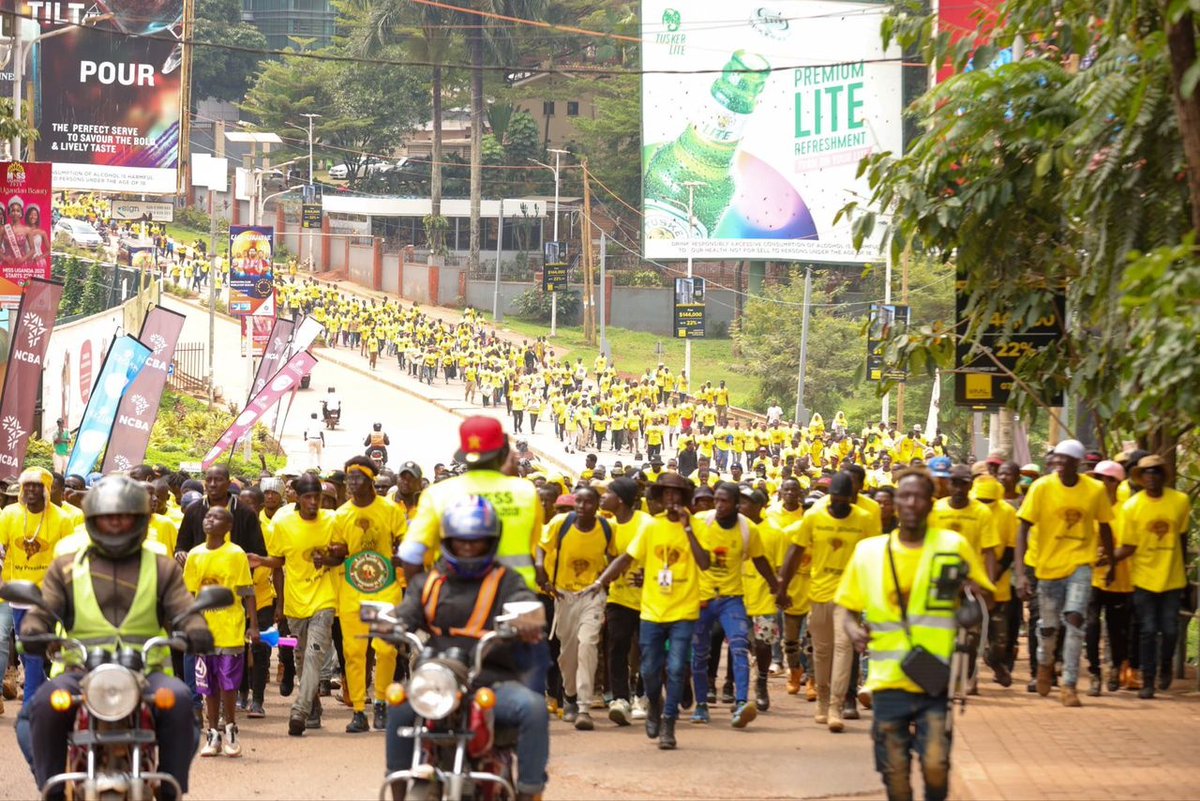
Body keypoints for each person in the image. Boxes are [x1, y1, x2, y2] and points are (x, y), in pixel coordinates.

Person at [22, 476, 212, 801]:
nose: (116, 523)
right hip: (79, 670)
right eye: (107, 517)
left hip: (147, 671)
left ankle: (170, 788)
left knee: (180, 701)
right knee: (43, 706)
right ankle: (53, 789)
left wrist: (196, 629)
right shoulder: (66, 567)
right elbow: (44, 609)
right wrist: (33, 630)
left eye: (124, 517)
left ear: (141, 520)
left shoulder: (163, 567)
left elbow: (183, 608)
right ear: (92, 520)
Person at [836, 469, 994, 801]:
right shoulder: (869, 552)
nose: (911, 503)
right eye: (904, 496)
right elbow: (846, 608)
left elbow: (984, 596)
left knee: (936, 764)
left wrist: (972, 603)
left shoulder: (952, 547)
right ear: (894, 503)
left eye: (919, 497)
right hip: (886, 679)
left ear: (931, 504)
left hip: (934, 677)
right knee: (894, 770)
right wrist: (853, 630)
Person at [386, 497, 549, 801]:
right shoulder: (429, 582)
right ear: (448, 541)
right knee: (398, 703)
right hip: (438, 682)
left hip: (492, 680)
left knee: (533, 708)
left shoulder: (507, 581)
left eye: (476, 541)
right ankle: (397, 790)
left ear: (491, 541)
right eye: (460, 540)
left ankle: (529, 792)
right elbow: (406, 613)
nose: (468, 547)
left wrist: (527, 623)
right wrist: (390, 625)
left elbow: (526, 604)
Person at [590, 473, 711, 750]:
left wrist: (688, 529)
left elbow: (704, 563)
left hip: (683, 611)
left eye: (676, 493)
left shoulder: (697, 526)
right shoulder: (652, 526)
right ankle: (654, 704)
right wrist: (600, 582)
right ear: (660, 497)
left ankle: (668, 722)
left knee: (677, 668)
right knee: (649, 669)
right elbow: (626, 558)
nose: (671, 498)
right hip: (652, 611)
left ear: (684, 497)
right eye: (666, 493)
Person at [1015, 439, 1116, 707]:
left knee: (1075, 620)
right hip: (1048, 566)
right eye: (1057, 458)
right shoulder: (1042, 487)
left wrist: (1112, 564)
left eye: (1065, 459)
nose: (1059, 463)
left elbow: (1105, 526)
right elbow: (1023, 528)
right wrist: (1021, 573)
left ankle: (1069, 684)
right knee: (1048, 627)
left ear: (1077, 463)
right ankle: (1045, 662)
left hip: (1081, 564)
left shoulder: (1094, 490)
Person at [776, 473, 875, 732]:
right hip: (819, 593)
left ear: (852, 498)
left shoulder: (865, 519)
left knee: (844, 647)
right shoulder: (814, 517)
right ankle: (822, 698)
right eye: (835, 500)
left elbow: (873, 558)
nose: (839, 506)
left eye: (845, 501)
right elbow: (795, 551)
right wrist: (782, 588)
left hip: (850, 595)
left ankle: (835, 706)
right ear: (830, 498)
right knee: (821, 652)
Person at [327, 456, 407, 732]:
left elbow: (404, 542)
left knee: (385, 648)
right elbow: (337, 552)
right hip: (353, 590)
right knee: (354, 651)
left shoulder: (390, 509)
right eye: (349, 478)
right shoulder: (341, 514)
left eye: (357, 477)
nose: (351, 482)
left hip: (385, 590)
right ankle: (359, 710)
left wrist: (402, 554)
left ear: (370, 480)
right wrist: (328, 556)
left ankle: (382, 703)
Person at [689, 482, 778, 728]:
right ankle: (701, 704)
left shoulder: (748, 529)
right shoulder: (701, 521)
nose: (718, 505)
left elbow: (760, 559)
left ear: (736, 504)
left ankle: (741, 703)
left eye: (724, 501)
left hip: (732, 599)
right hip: (703, 598)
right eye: (716, 500)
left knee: (739, 646)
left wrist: (776, 586)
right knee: (700, 652)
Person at [259, 474, 338, 735]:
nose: (313, 502)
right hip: (295, 602)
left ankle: (300, 710)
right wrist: (260, 562)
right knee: (302, 658)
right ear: (298, 499)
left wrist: (329, 558)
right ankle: (313, 705)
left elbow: (343, 553)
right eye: (308, 497)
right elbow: (278, 563)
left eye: (317, 497)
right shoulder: (283, 524)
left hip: (324, 598)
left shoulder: (332, 520)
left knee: (315, 654)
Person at [1112, 454, 1192, 697]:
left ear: (1163, 476)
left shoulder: (1179, 501)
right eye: (1147, 473)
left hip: (1172, 576)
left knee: (1169, 629)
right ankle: (1148, 680)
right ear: (1140, 477)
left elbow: (1182, 538)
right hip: (1143, 577)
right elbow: (1128, 545)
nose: (1151, 477)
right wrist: (1108, 559)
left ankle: (1165, 665)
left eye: (1156, 472)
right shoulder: (1132, 507)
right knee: (1147, 630)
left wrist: (1185, 571)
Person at [536, 484, 614, 731]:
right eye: (578, 501)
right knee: (567, 655)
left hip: (592, 596)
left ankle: (583, 707)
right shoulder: (561, 523)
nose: (582, 506)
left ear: (597, 505)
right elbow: (541, 547)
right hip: (564, 596)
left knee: (587, 645)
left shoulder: (606, 528)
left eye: (588, 502)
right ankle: (569, 694)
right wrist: (541, 573)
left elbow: (616, 556)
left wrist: (604, 581)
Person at [185, 505, 258, 758]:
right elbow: (189, 593)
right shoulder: (195, 554)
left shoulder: (236, 554)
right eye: (208, 516)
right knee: (207, 685)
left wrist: (253, 625)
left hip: (230, 627)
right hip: (203, 630)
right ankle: (212, 733)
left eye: (217, 518)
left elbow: (247, 591)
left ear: (228, 527)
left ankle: (230, 728)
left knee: (228, 682)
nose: (210, 520)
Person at [0, 468, 75, 707]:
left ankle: (30, 706)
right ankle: (44, 688)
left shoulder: (62, 519)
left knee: (32, 649)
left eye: (37, 485)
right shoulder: (10, 514)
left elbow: (69, 560)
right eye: (28, 485)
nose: (31, 489)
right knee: (23, 649)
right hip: (15, 593)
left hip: (47, 596)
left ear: (47, 489)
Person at [599, 477, 651, 725]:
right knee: (617, 647)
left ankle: (642, 696)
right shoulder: (608, 526)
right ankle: (621, 699)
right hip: (618, 597)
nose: (603, 496)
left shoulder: (645, 523)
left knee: (646, 649)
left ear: (619, 499)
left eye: (607, 492)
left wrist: (648, 573)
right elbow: (609, 558)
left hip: (648, 599)